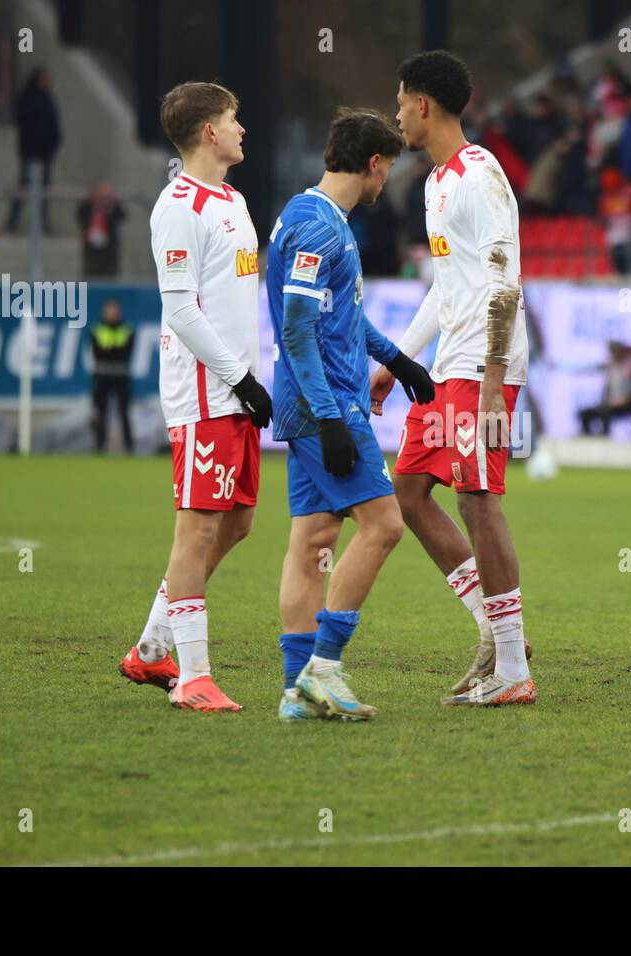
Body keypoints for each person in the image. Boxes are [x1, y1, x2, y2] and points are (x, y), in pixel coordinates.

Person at [371, 50, 536, 707]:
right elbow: (448, 289)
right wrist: (398, 362)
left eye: (400, 100)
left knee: (477, 498)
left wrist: (495, 379)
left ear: (424, 106)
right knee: (408, 492)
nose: (396, 114)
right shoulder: (437, 184)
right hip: (448, 367)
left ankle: (514, 668)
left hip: (482, 367)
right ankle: (496, 639)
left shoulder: (480, 175)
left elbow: (505, 284)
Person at [267, 108, 434, 722]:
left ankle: (295, 692)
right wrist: (331, 416)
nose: (386, 181)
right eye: (387, 168)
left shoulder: (308, 215)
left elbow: (339, 316)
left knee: (312, 540)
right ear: (371, 163)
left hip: (315, 400)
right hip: (326, 404)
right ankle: (325, 668)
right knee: (385, 525)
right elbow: (297, 327)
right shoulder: (319, 229)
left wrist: (399, 359)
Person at [117, 81, 272, 713]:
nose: (243, 130)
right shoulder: (176, 206)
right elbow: (180, 309)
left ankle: (151, 649)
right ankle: (194, 676)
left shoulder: (232, 199)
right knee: (197, 528)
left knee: (237, 523)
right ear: (209, 131)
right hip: (206, 392)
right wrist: (239, 377)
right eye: (235, 120)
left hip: (237, 391)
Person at [6, 69, 61, 233]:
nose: (47, 82)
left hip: (46, 152)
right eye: (44, 78)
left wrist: (54, 142)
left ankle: (43, 223)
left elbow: (53, 124)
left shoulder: (49, 99)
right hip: (30, 151)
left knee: (44, 189)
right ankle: (12, 222)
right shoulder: (27, 98)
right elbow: (21, 120)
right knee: (24, 185)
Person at [579, 340, 631, 436]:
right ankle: (588, 437)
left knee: (606, 413)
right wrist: (607, 401)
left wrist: (624, 400)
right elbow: (608, 390)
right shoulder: (615, 367)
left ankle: (604, 436)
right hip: (614, 402)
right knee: (585, 413)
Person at [90, 298, 134, 453]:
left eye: (114, 310)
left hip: (121, 375)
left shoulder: (126, 329)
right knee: (101, 413)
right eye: (109, 310)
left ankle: (129, 447)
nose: (112, 313)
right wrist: (113, 350)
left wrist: (109, 350)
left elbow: (125, 352)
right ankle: (99, 446)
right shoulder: (97, 329)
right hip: (102, 376)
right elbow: (97, 352)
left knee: (124, 413)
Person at [77, 182, 126, 277]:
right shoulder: (88, 207)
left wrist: (110, 208)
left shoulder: (113, 208)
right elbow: (80, 215)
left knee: (109, 274)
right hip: (91, 251)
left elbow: (122, 216)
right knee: (91, 273)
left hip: (109, 250)